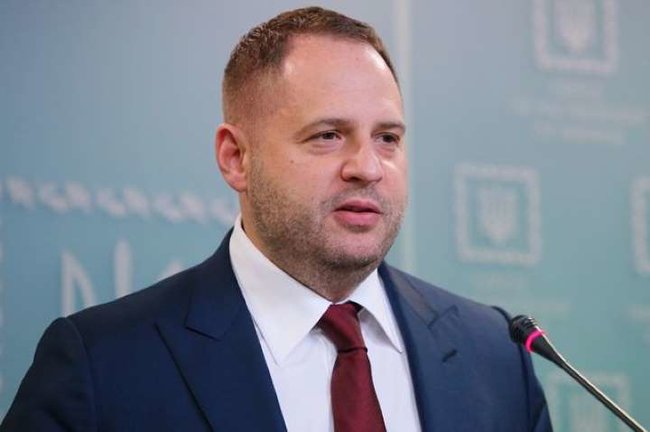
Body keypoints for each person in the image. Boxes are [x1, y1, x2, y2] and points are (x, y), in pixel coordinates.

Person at [1, 6, 552, 432]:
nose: (367, 167)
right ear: (236, 158)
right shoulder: (102, 365)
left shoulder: (496, 354)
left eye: (387, 138)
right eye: (328, 135)